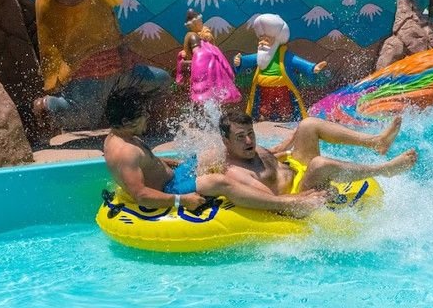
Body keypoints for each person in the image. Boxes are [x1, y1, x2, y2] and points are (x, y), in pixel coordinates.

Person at [102, 87, 327, 216]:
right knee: (220, 181)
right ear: (126, 121)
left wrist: (173, 164)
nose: (148, 116)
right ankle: (285, 203)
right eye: (142, 114)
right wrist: (182, 201)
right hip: (171, 188)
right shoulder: (125, 152)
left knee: (217, 151)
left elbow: (148, 164)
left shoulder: (123, 136)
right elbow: (141, 195)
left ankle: (276, 155)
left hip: (177, 175)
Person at [219, 111, 417, 196]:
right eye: (240, 137)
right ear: (226, 141)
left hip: (297, 169)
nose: (249, 141)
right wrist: (307, 200)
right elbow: (272, 201)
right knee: (319, 164)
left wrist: (291, 144)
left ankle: (376, 142)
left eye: (251, 134)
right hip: (298, 192)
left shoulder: (251, 149)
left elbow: (271, 156)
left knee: (308, 124)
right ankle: (385, 170)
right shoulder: (236, 172)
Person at [233, 13, 326, 121]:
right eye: (261, 39)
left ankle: (285, 120)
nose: (262, 43)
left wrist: (312, 68)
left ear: (277, 39)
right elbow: (248, 60)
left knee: (284, 108)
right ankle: (263, 120)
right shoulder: (260, 55)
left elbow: (298, 62)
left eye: (267, 39)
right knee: (264, 109)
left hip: (282, 88)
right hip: (264, 88)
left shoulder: (284, 55)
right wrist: (239, 61)